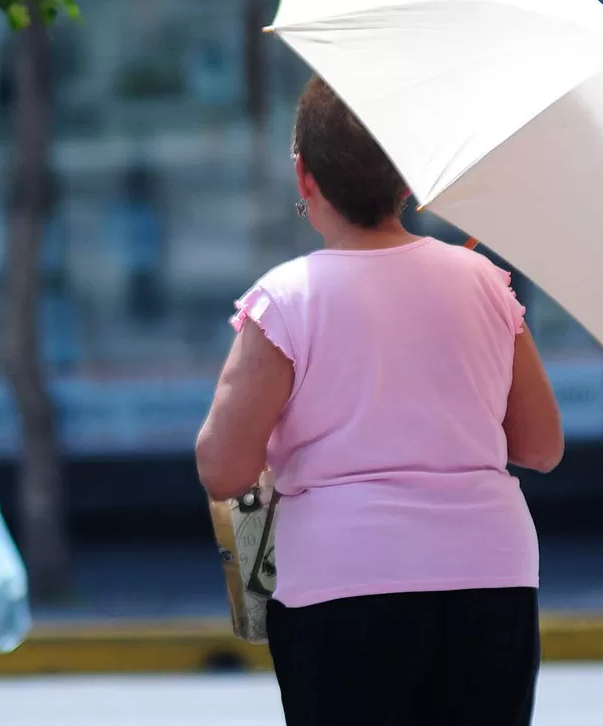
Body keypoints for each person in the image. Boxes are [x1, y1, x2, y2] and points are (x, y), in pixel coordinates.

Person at [194, 76, 565, 726]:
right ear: (408, 181)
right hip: (491, 575)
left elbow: (222, 467)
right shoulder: (482, 281)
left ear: (304, 176)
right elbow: (541, 446)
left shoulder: (286, 299)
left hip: (345, 584)